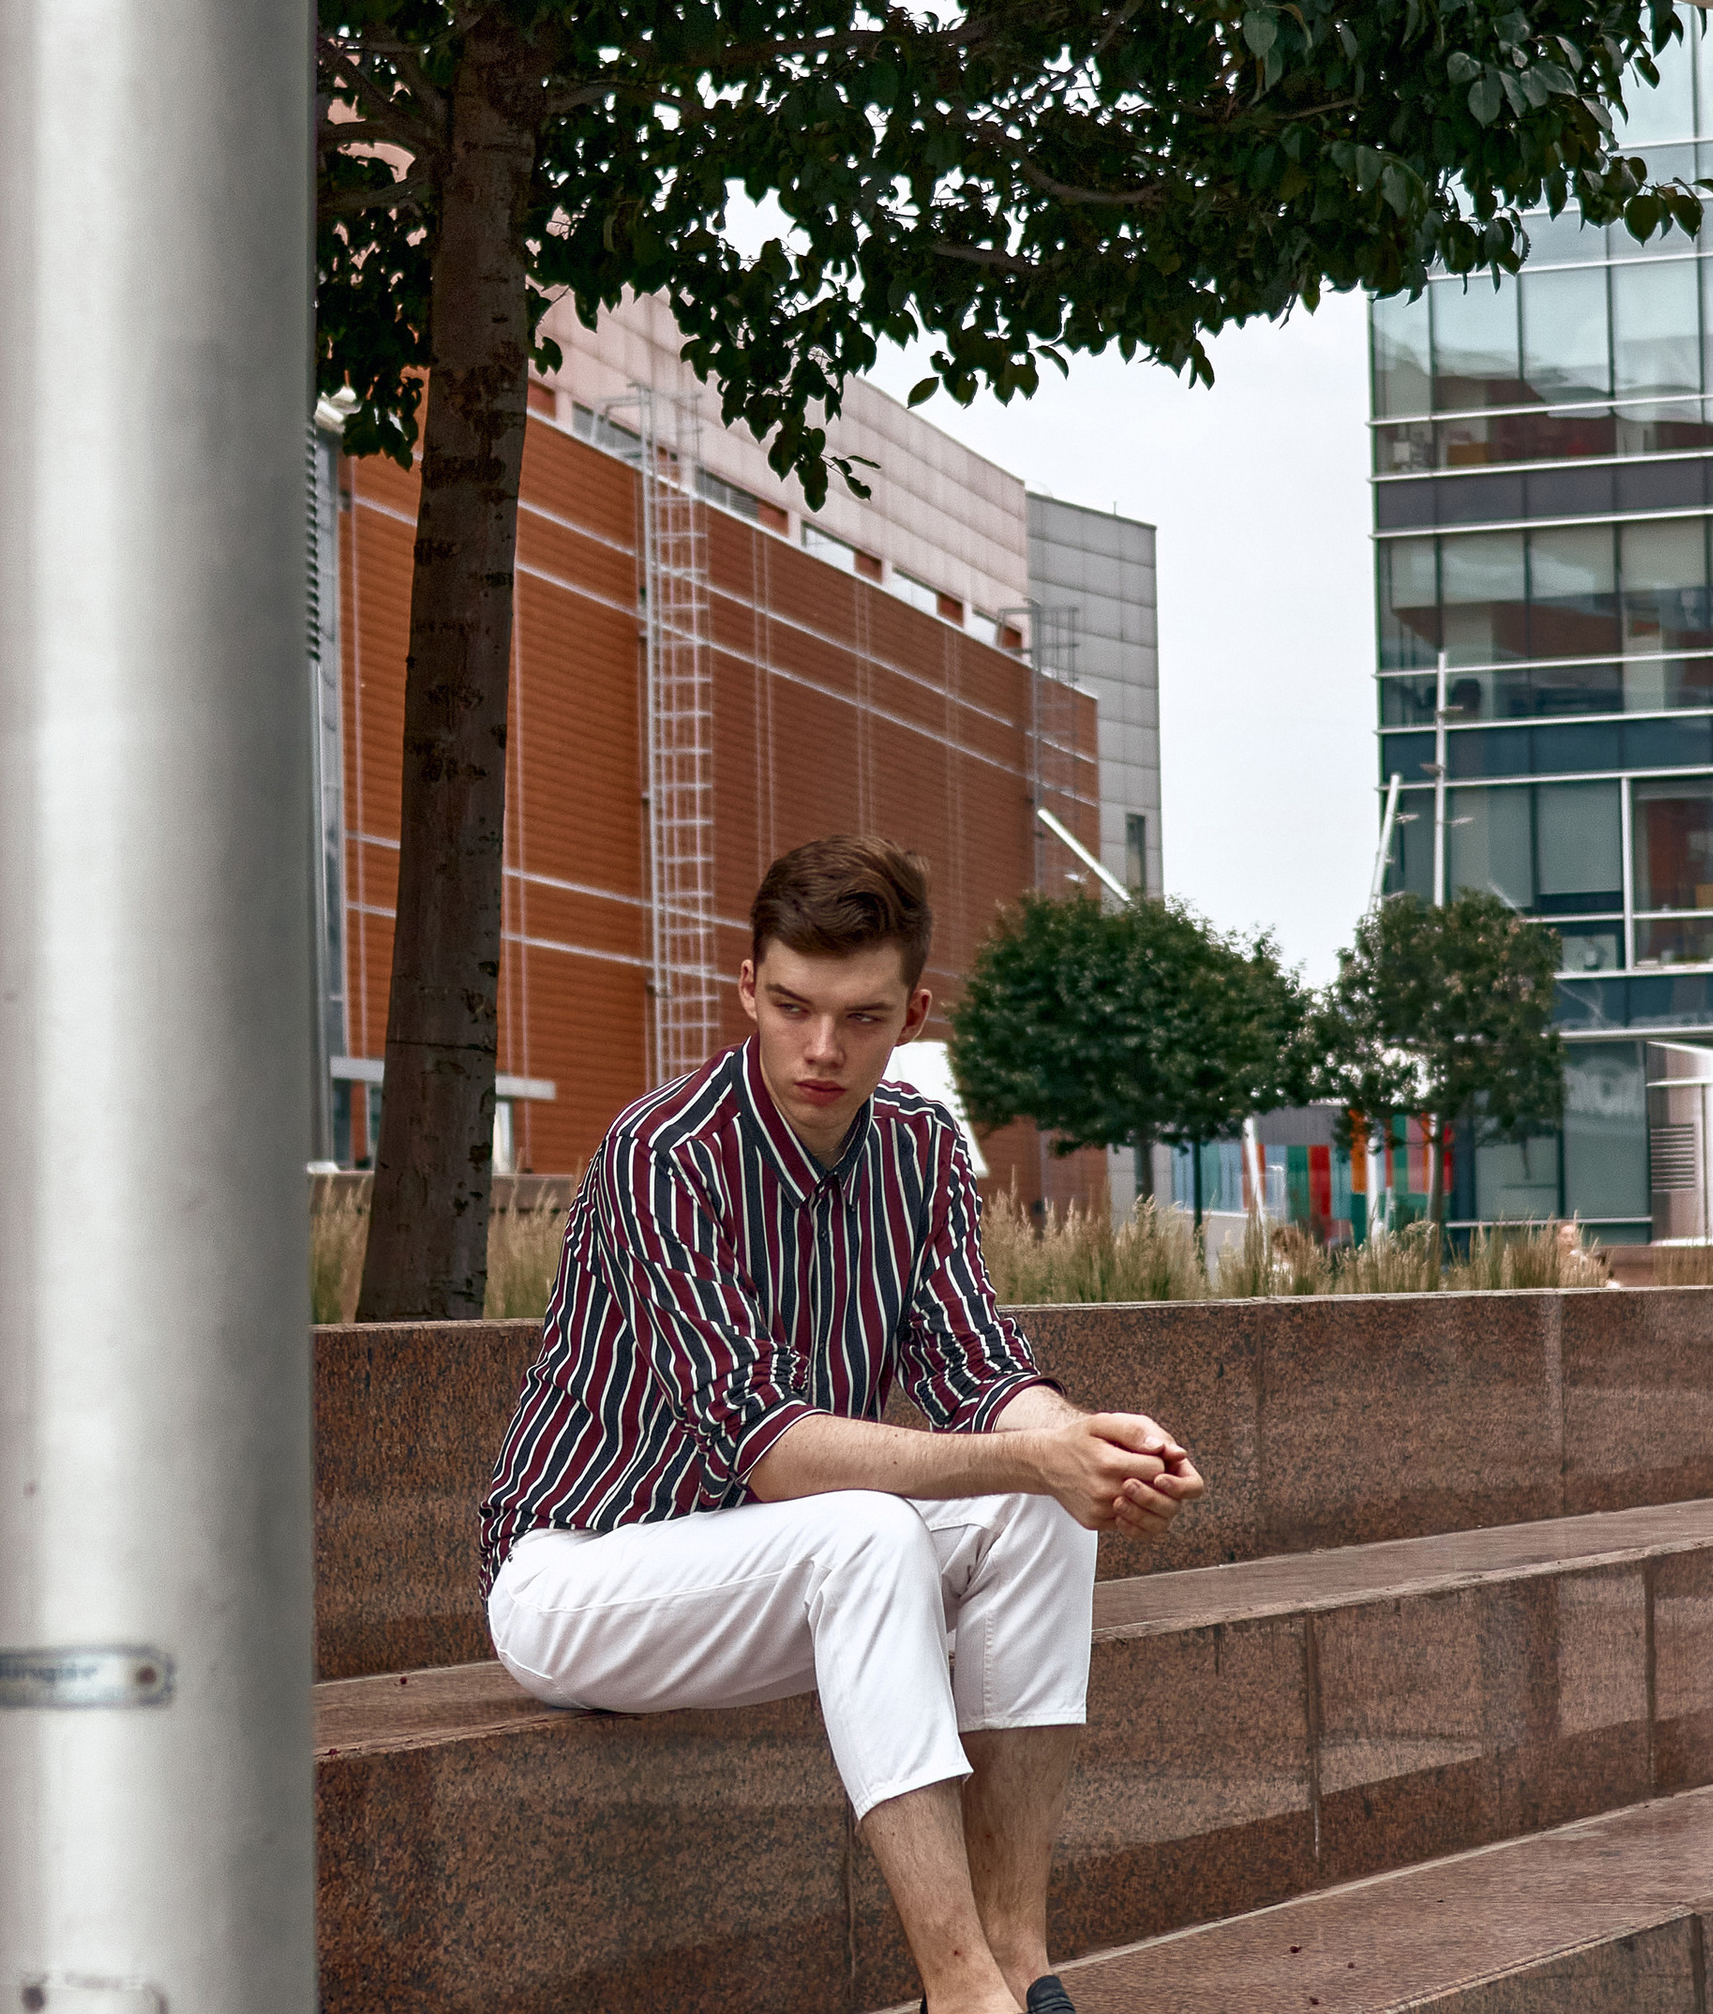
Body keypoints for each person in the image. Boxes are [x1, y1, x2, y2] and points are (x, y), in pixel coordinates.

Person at [480, 836, 1202, 2014]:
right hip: (578, 1574)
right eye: (791, 1007)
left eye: (862, 1017)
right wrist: (1031, 1452)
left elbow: (980, 1367)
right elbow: (771, 1451)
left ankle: (1019, 1954)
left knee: (1038, 1512)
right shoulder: (661, 1157)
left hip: (770, 1573)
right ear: (745, 988)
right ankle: (959, 1991)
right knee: (866, 1529)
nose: (821, 1050)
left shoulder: (920, 1151)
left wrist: (1087, 1444)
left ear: (913, 1010)